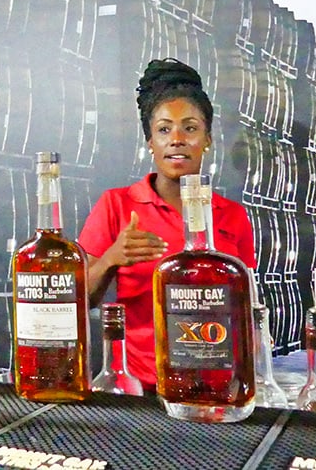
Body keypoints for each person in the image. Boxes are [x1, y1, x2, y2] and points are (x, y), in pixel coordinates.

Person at [78, 58, 257, 391]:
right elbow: (79, 299)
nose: (176, 139)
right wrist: (110, 259)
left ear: (208, 139)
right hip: (140, 388)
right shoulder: (117, 205)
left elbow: (247, 310)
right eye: (163, 129)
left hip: (218, 385)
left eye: (190, 128)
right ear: (150, 142)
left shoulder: (232, 215)